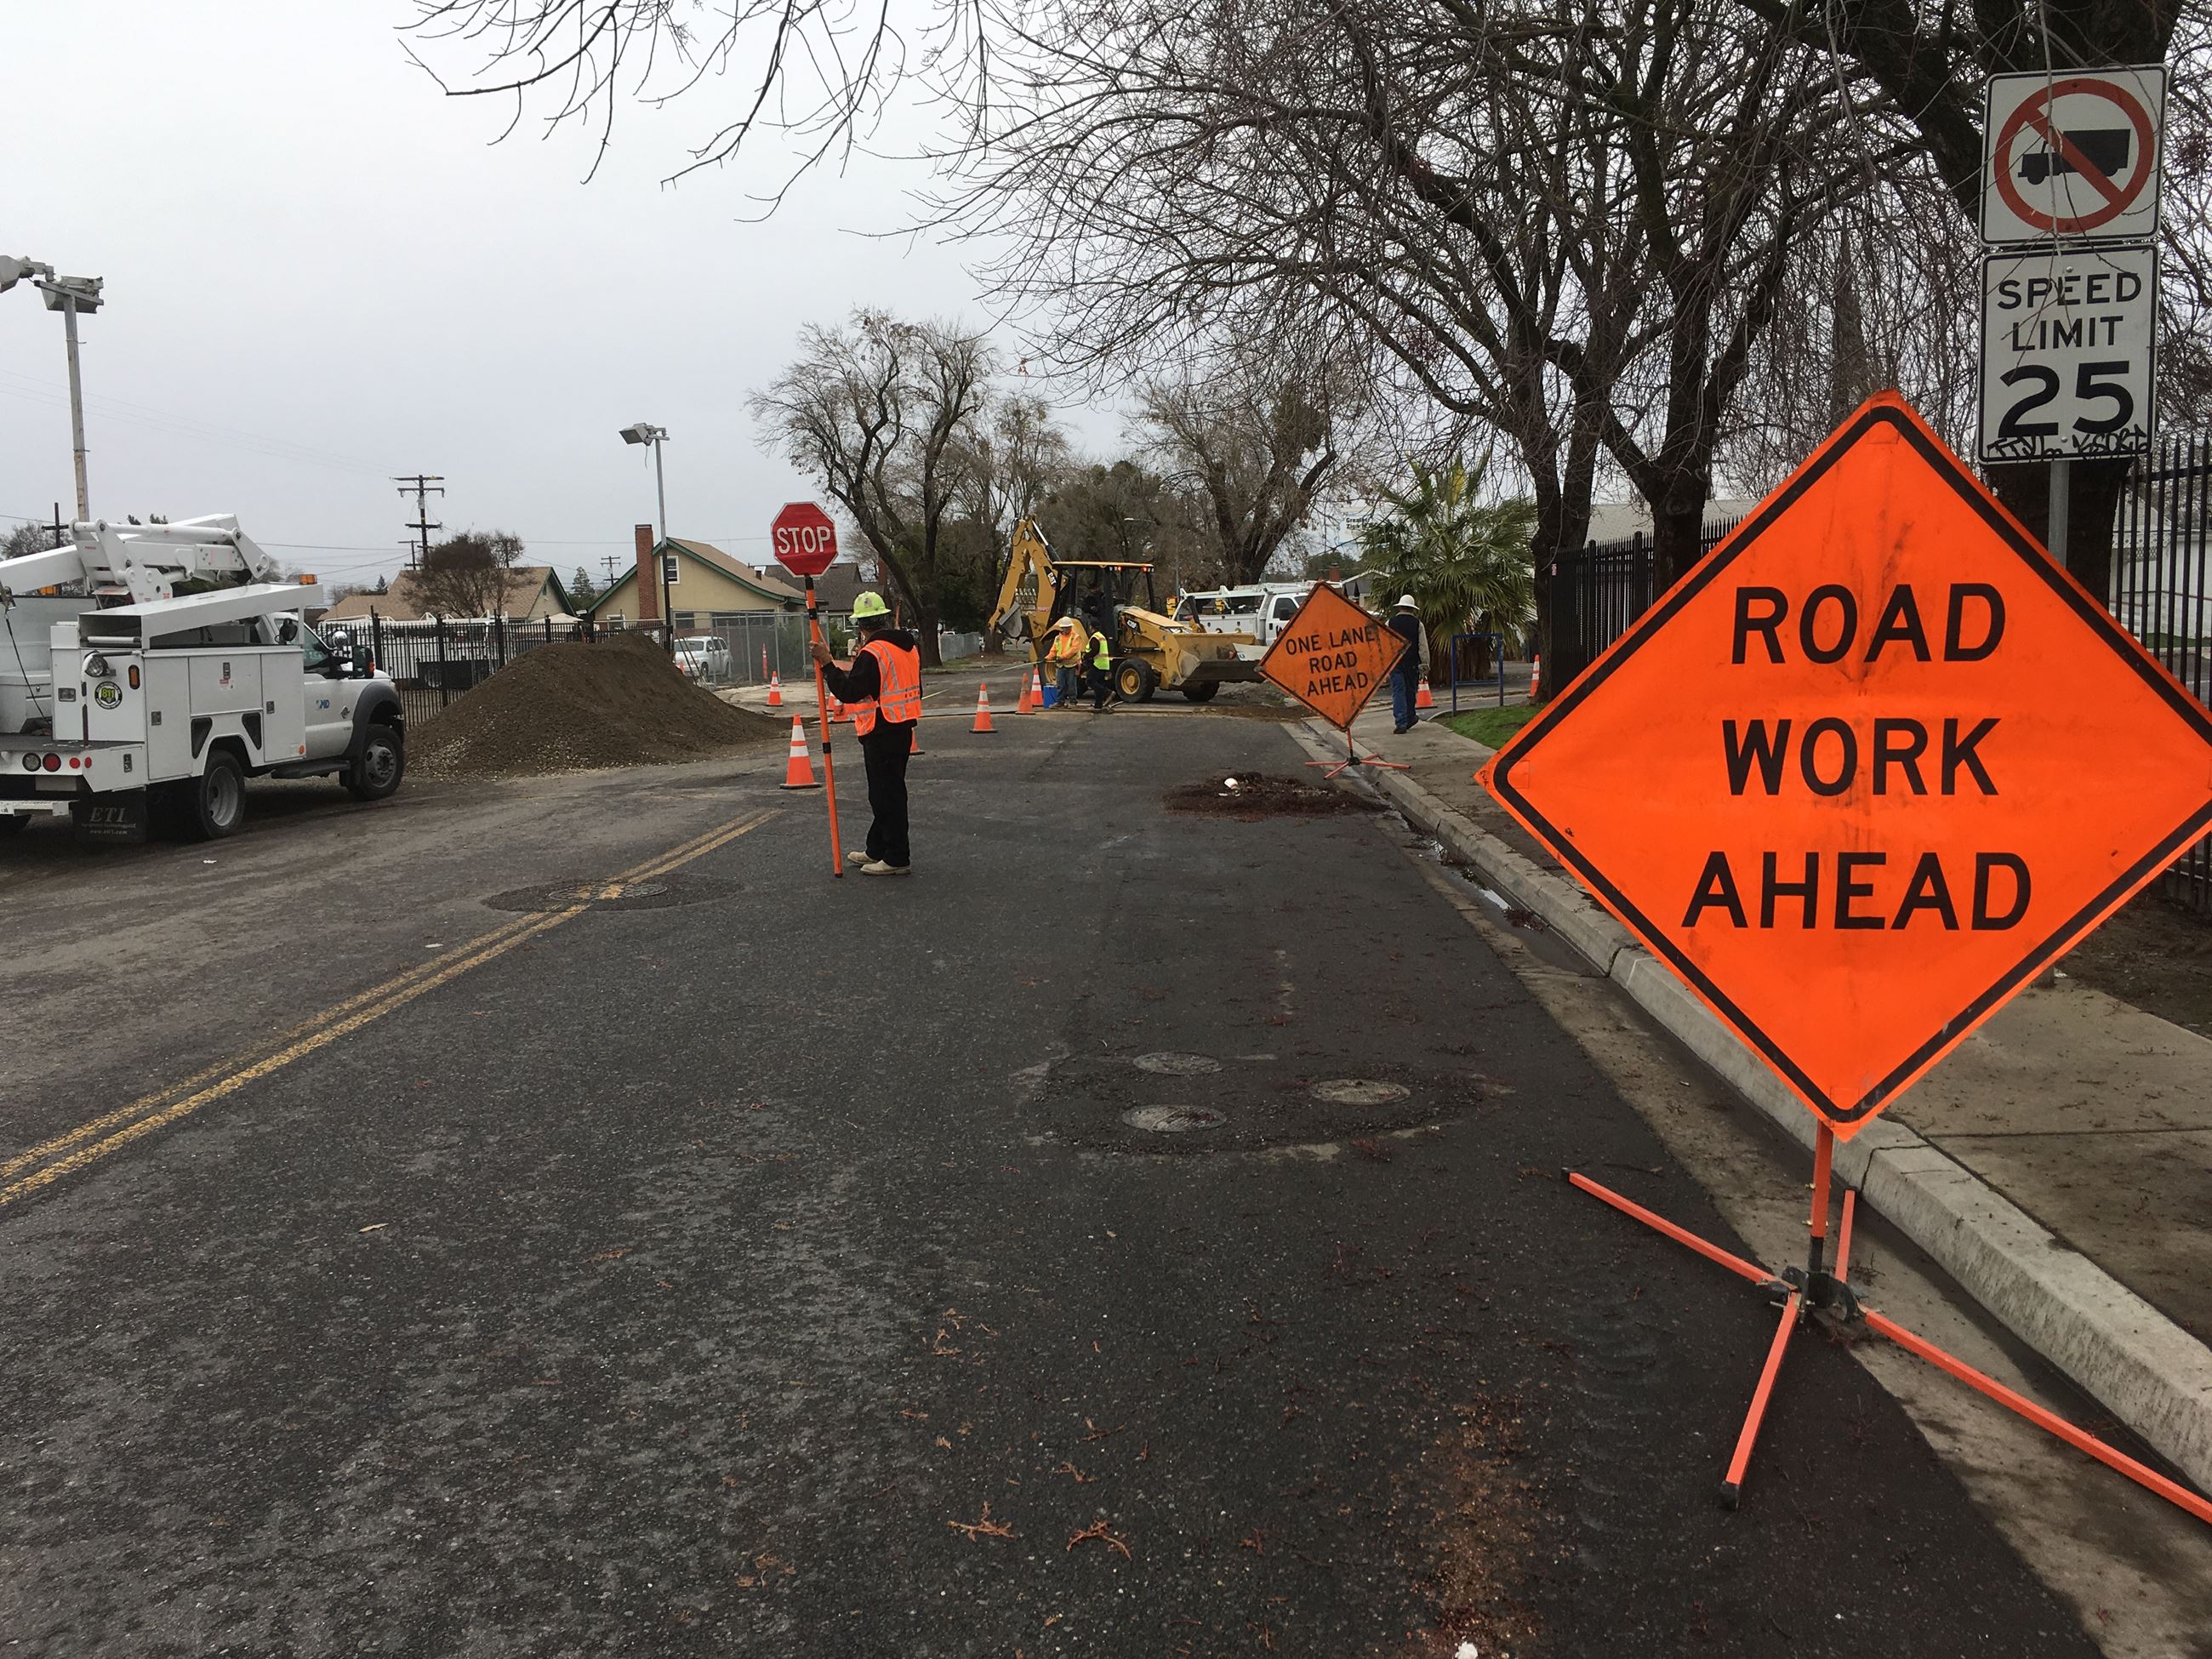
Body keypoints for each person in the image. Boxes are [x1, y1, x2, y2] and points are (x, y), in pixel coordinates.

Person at [810, 591, 921, 875]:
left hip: (881, 729)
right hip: (902, 724)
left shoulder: (872, 653)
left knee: (887, 795)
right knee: (887, 791)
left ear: (860, 626)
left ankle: (896, 858)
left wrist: (827, 664)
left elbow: (849, 692)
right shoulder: (908, 646)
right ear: (883, 618)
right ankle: (877, 848)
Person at [1388, 594, 1424, 734]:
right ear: (1412, 609)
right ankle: (1410, 716)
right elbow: (1423, 646)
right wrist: (1425, 663)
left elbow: (1384, 643)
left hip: (1395, 662)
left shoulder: (1390, 623)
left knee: (1398, 691)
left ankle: (1401, 722)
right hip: (1412, 663)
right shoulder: (1417, 624)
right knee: (1410, 691)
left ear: (1400, 607)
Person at [1046, 615, 1086, 708]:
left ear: (1070, 627)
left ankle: (1073, 702)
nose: (1066, 629)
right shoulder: (1058, 638)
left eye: (1067, 627)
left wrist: (1061, 657)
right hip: (1061, 665)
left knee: (1071, 684)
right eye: (1064, 627)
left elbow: (1073, 651)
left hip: (1072, 665)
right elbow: (1053, 651)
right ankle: (1060, 702)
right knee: (1060, 684)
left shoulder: (1075, 637)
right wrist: (1047, 658)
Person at [1086, 620, 1115, 711]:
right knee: (1099, 683)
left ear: (1092, 627)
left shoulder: (1095, 637)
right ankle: (1098, 705)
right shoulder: (1102, 636)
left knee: (1090, 681)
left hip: (1098, 663)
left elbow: (1095, 650)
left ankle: (1108, 693)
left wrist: (1085, 656)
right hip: (1104, 664)